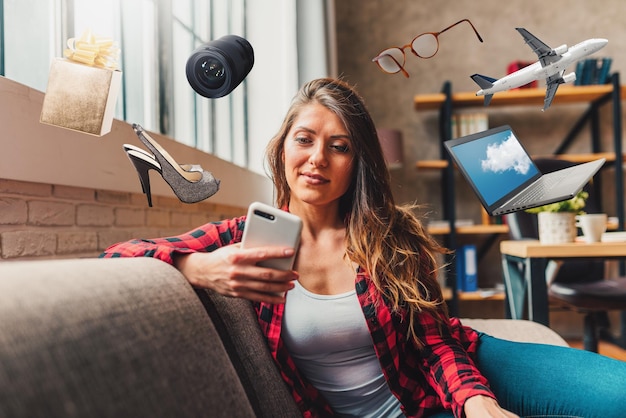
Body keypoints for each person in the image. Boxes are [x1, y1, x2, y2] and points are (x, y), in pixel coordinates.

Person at [102, 78, 626, 418]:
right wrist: (199, 268)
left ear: (358, 162)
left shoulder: (388, 235)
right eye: (305, 139)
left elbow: (434, 342)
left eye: (339, 146)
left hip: (449, 373)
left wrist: (476, 400)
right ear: (282, 147)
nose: (317, 159)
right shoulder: (243, 240)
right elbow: (114, 259)